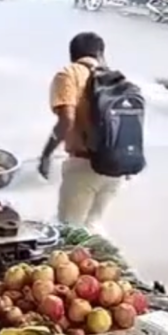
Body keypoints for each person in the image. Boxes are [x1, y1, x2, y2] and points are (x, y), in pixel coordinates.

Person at [39, 32, 120, 234]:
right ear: (100, 53)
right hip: (116, 166)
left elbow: (67, 120)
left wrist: (46, 154)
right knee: (93, 225)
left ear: (72, 54)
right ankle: (110, 265)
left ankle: (97, 265)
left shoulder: (69, 74)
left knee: (69, 230)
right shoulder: (115, 78)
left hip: (85, 166)